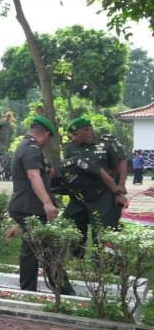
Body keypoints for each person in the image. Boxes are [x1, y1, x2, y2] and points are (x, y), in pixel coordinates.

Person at [8, 116, 75, 294]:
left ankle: (29, 289)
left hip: (26, 206)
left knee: (32, 248)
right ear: (45, 134)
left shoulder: (24, 146)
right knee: (47, 248)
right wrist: (47, 203)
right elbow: (33, 176)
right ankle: (64, 291)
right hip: (31, 206)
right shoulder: (32, 148)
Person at [61, 117, 127, 256]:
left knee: (103, 232)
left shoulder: (107, 144)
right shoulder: (69, 147)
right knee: (76, 231)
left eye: (76, 134)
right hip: (79, 197)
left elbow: (117, 166)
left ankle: (102, 264)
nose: (73, 138)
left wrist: (119, 189)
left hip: (102, 196)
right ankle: (76, 261)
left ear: (88, 130)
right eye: (71, 135)